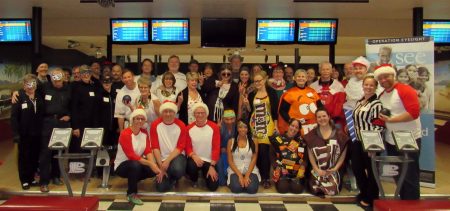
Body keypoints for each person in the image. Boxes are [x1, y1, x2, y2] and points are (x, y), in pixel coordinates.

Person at [375, 65, 421, 200]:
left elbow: (414, 113)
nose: (383, 80)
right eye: (380, 78)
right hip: (391, 139)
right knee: (398, 174)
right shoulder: (382, 95)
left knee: (410, 174)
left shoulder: (405, 90)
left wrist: (392, 120)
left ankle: (412, 205)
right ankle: (403, 201)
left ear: (393, 75)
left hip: (408, 138)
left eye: (386, 76)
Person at [114, 109, 162, 205]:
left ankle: (134, 178)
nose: (140, 121)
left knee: (152, 170)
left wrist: (154, 166)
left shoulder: (144, 133)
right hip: (122, 166)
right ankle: (131, 193)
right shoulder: (125, 133)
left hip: (137, 164)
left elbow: (148, 151)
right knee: (135, 165)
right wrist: (150, 164)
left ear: (145, 121)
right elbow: (131, 155)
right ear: (132, 119)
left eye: (142, 119)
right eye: (137, 119)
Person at [351, 76, 384, 207]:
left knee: (372, 171)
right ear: (363, 85)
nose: (368, 87)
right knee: (357, 168)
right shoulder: (360, 102)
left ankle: (372, 198)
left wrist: (373, 145)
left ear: (376, 87)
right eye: (366, 85)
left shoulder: (376, 104)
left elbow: (378, 125)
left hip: (370, 142)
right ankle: (364, 192)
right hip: (358, 141)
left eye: (371, 85)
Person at [39, 68, 72, 192]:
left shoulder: (69, 88)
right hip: (47, 123)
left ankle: (56, 176)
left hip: (62, 123)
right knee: (45, 153)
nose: (56, 80)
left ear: (63, 77)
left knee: (59, 152)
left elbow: (73, 105)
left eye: (59, 77)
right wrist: (16, 92)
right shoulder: (44, 87)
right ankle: (44, 181)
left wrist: (70, 115)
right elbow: (28, 90)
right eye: (54, 77)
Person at [304, 108, 349, 196]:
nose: (322, 119)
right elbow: (310, 155)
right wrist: (316, 169)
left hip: (333, 170)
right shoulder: (311, 135)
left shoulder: (340, 134)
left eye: (324, 116)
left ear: (329, 117)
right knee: (316, 189)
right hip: (317, 170)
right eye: (319, 117)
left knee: (332, 191)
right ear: (316, 119)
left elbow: (343, 154)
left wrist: (335, 168)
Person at [246, 71, 279, 189]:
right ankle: (258, 175)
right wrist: (247, 104)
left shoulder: (272, 92)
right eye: (255, 81)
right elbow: (250, 111)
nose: (257, 83)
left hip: (267, 125)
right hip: (255, 125)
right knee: (256, 151)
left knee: (265, 151)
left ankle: (266, 178)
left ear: (265, 79)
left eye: (259, 80)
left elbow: (275, 111)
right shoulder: (251, 94)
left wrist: (276, 125)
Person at [10, 74, 43, 190]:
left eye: (33, 83)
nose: (31, 86)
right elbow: (14, 117)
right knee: (24, 157)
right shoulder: (19, 96)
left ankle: (31, 178)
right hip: (24, 134)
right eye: (28, 84)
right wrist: (16, 133)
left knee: (34, 156)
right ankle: (24, 179)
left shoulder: (39, 96)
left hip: (37, 133)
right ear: (24, 85)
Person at [150, 101, 187, 192]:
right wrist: (160, 165)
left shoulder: (181, 125)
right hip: (161, 158)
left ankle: (173, 177)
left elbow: (180, 147)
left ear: (174, 112)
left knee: (177, 169)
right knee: (161, 189)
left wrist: (167, 162)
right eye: (165, 111)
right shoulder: (155, 125)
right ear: (162, 112)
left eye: (170, 111)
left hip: (176, 156)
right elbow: (155, 147)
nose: (168, 114)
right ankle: (168, 177)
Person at [185, 103, 220, 190]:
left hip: (209, 161)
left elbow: (216, 147)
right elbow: (187, 147)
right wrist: (193, 155)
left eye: (202, 113)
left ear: (206, 114)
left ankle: (205, 174)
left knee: (213, 187)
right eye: (197, 113)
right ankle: (194, 179)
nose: (200, 115)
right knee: (191, 167)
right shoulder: (188, 128)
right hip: (195, 159)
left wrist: (212, 166)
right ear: (194, 114)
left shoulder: (214, 127)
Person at [278, 69, 321, 135]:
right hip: (297, 128)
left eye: (303, 77)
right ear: (294, 78)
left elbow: (320, 107)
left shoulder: (313, 91)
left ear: (306, 78)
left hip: (313, 126)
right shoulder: (289, 93)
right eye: (298, 76)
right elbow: (282, 110)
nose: (301, 78)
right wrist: (291, 121)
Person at [270, 119, 307, 194]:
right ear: (288, 125)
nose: (293, 129)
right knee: (283, 189)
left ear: (299, 129)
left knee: (297, 189)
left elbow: (305, 158)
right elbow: (272, 155)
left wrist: (302, 167)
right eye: (292, 126)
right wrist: (277, 167)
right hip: (282, 170)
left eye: (296, 127)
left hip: (296, 172)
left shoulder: (301, 142)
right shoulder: (278, 139)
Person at [70, 65, 100, 154]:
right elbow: (73, 108)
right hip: (80, 125)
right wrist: (75, 127)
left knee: (91, 149)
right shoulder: (76, 87)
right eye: (83, 73)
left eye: (88, 73)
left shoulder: (94, 87)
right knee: (80, 150)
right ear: (80, 74)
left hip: (93, 124)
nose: (86, 75)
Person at [310, 61, 346, 130]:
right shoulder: (313, 86)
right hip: (317, 120)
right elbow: (311, 104)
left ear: (331, 71)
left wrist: (332, 119)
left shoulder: (338, 86)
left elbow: (340, 104)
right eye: (323, 69)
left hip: (334, 121)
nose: (325, 71)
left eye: (327, 69)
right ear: (319, 71)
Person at [227, 121, 260, 194]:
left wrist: (247, 175)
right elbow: (230, 161)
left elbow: (254, 159)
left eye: (245, 127)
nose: (243, 129)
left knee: (252, 189)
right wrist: (240, 176)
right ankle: (240, 183)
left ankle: (246, 184)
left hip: (250, 170)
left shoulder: (254, 140)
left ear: (248, 129)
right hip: (235, 170)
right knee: (236, 188)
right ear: (237, 128)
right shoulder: (231, 141)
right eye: (240, 127)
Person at [218, 109, 237, 186]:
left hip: (233, 151)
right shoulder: (220, 128)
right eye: (227, 119)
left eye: (231, 119)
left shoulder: (237, 128)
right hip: (222, 152)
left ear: (235, 119)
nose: (229, 121)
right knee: (222, 182)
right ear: (223, 119)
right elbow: (215, 143)